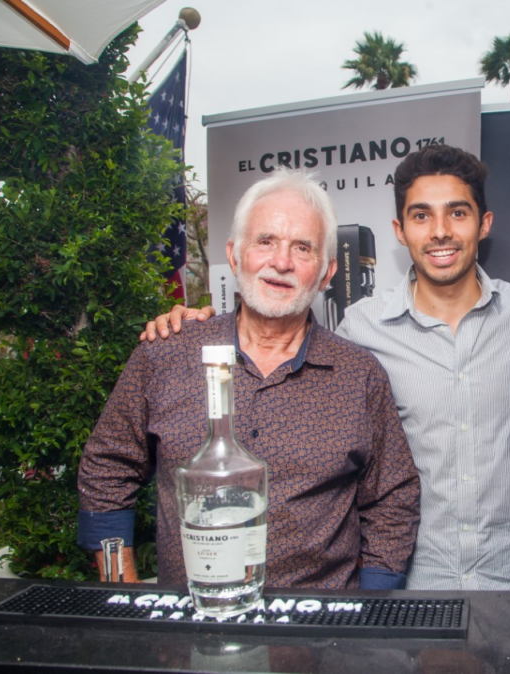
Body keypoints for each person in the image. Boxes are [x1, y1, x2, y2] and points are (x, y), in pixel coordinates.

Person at [144, 145, 510, 590]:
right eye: (421, 216)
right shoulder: (361, 331)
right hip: (415, 587)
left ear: (484, 223)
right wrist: (198, 324)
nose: (440, 232)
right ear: (400, 230)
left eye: (457, 213)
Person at [78, 169, 420, 590]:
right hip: (192, 629)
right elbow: (107, 468)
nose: (281, 262)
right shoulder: (167, 353)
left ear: (328, 273)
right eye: (265, 241)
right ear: (235, 255)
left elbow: (392, 498)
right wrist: (124, 591)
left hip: (322, 638)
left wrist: (368, 618)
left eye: (302, 248)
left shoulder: (359, 376)